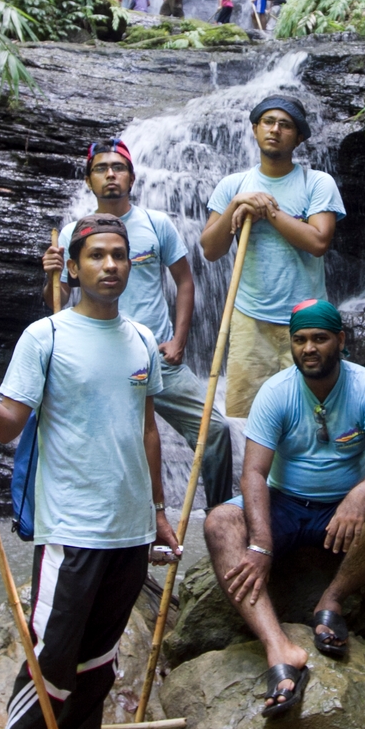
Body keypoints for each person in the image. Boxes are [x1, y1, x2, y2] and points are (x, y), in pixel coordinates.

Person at [0, 214, 181, 729]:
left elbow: (147, 428)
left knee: (99, 661)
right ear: (71, 266)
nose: (110, 265)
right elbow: (6, 424)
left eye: (120, 255)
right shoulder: (45, 336)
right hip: (72, 529)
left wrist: (158, 511)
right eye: (96, 256)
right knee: (52, 656)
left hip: (132, 531)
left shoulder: (141, 339)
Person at [203, 299, 365, 717]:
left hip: (339, 511)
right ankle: (279, 649)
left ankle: (330, 603)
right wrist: (261, 544)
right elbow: (253, 474)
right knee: (219, 522)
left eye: (319, 338)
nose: (309, 348)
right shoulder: (276, 391)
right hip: (282, 504)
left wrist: (359, 496)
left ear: (340, 339)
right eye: (299, 340)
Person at [41, 138, 234, 506]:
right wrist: (51, 275)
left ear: (132, 178)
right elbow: (58, 301)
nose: (110, 174)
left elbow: (185, 281)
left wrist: (179, 340)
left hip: (158, 355)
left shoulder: (155, 223)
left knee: (216, 430)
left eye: (118, 168)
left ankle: (220, 517)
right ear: (88, 180)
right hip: (100, 360)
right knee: (112, 447)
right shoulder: (72, 234)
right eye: (101, 168)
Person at [201, 94, 345, 419]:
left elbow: (319, 241)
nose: (275, 129)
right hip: (249, 320)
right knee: (243, 419)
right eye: (268, 121)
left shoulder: (317, 183)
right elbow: (211, 249)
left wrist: (268, 209)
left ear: (299, 137)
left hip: (307, 322)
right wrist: (237, 205)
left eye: (285, 125)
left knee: (314, 416)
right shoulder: (233, 185)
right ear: (254, 129)